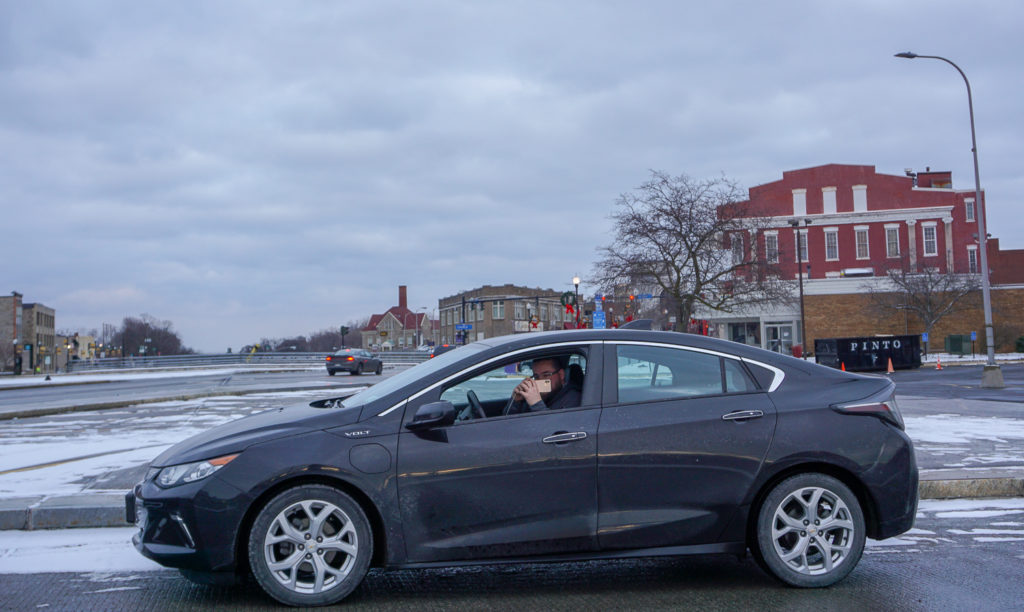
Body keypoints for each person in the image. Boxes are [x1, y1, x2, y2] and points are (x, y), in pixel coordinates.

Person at [507, 357, 581, 414]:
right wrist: (515, 401)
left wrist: (536, 404)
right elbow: (508, 422)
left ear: (561, 375)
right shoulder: (536, 396)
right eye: (536, 376)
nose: (540, 380)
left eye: (546, 375)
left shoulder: (573, 399)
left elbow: (556, 429)